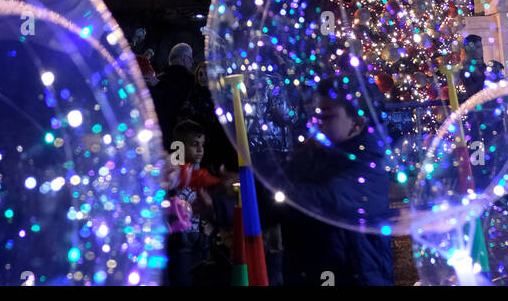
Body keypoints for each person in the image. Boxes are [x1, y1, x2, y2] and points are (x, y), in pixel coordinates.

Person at [261, 75, 394, 286]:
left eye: (326, 116)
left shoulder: (370, 163)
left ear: (356, 124)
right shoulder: (312, 154)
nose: (316, 124)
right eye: (316, 115)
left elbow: (322, 200)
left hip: (356, 276)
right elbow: (271, 204)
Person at [164, 120, 236, 286]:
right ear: (178, 146)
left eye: (202, 145)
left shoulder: (203, 175)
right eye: (194, 144)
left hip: (202, 240)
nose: (200, 150)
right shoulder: (171, 176)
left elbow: (212, 207)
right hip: (181, 242)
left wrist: (211, 224)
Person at [150, 42, 195, 145]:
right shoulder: (191, 81)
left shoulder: (156, 80)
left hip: (158, 140)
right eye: (190, 59)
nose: (192, 63)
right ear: (183, 58)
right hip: (182, 141)